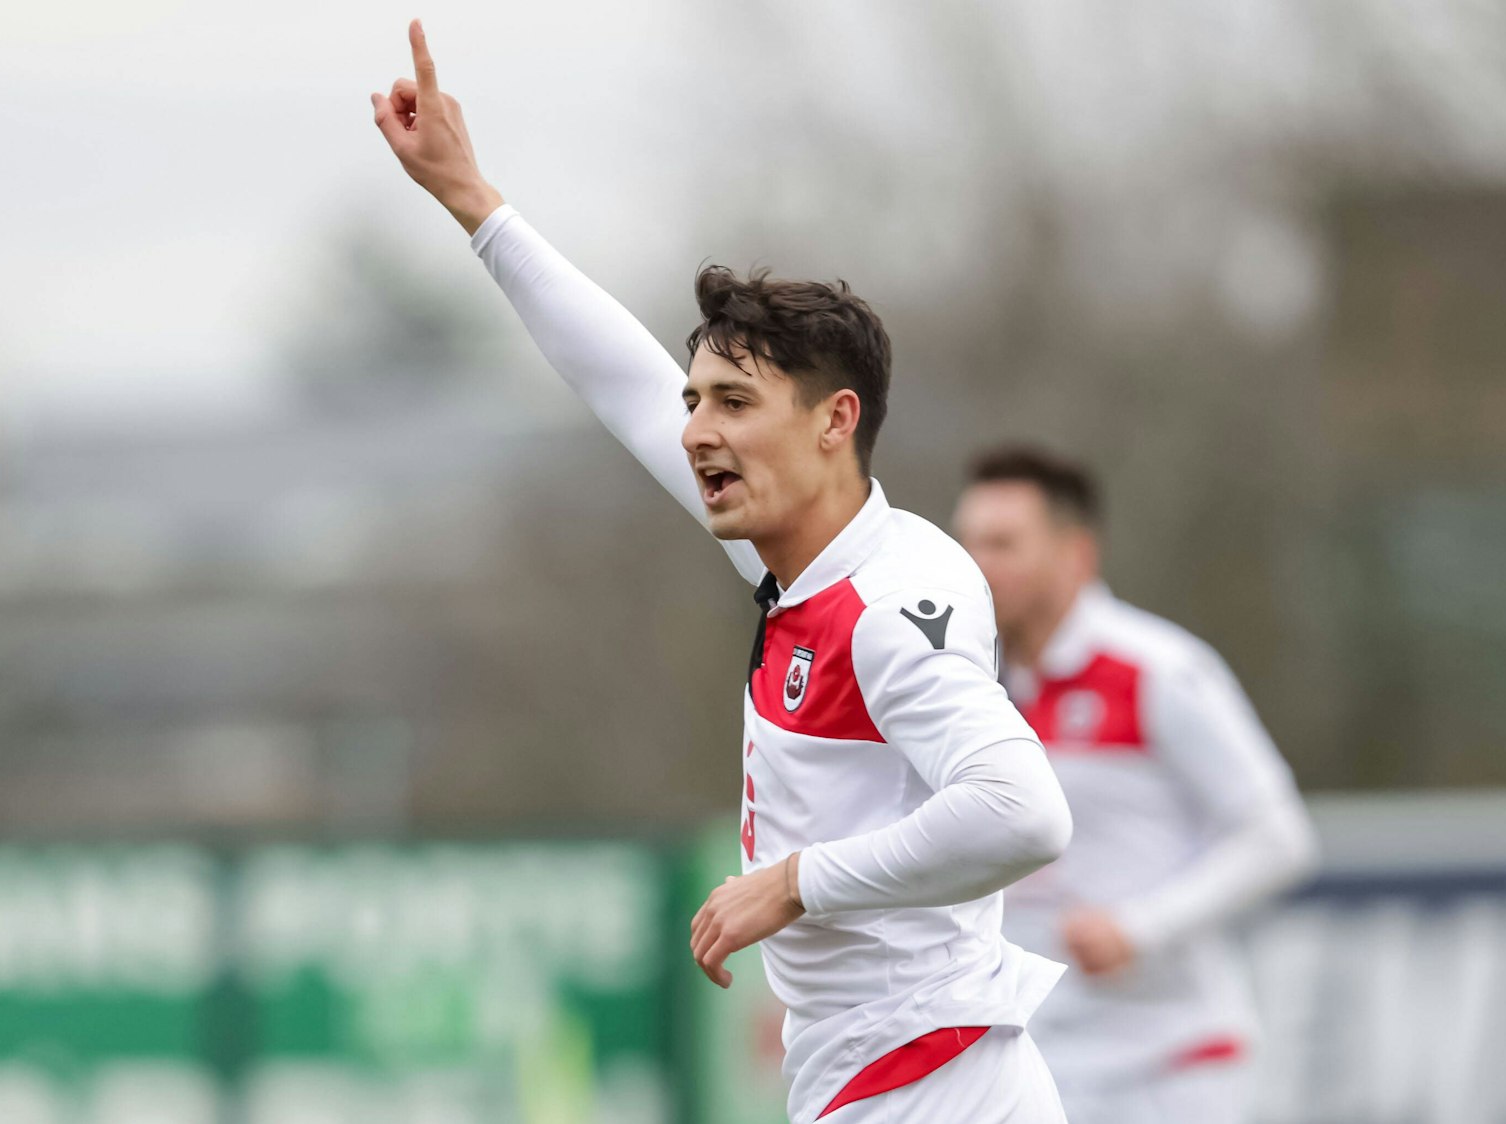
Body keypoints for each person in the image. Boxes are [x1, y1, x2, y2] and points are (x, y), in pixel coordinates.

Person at [370, 21, 1073, 1124]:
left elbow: (1025, 813)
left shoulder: (883, 607)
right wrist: (474, 203)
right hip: (893, 1080)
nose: (695, 429)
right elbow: (621, 381)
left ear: (835, 421)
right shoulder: (809, 546)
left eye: (733, 404)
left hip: (932, 1088)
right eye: (697, 400)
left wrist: (793, 881)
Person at [953, 445, 1319, 1123]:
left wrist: (1139, 927)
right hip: (1039, 1063)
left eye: (1003, 543)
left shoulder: (1156, 670)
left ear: (1075, 554)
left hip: (1170, 1064)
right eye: (969, 542)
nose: (978, 565)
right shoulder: (971, 686)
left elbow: (1278, 835)